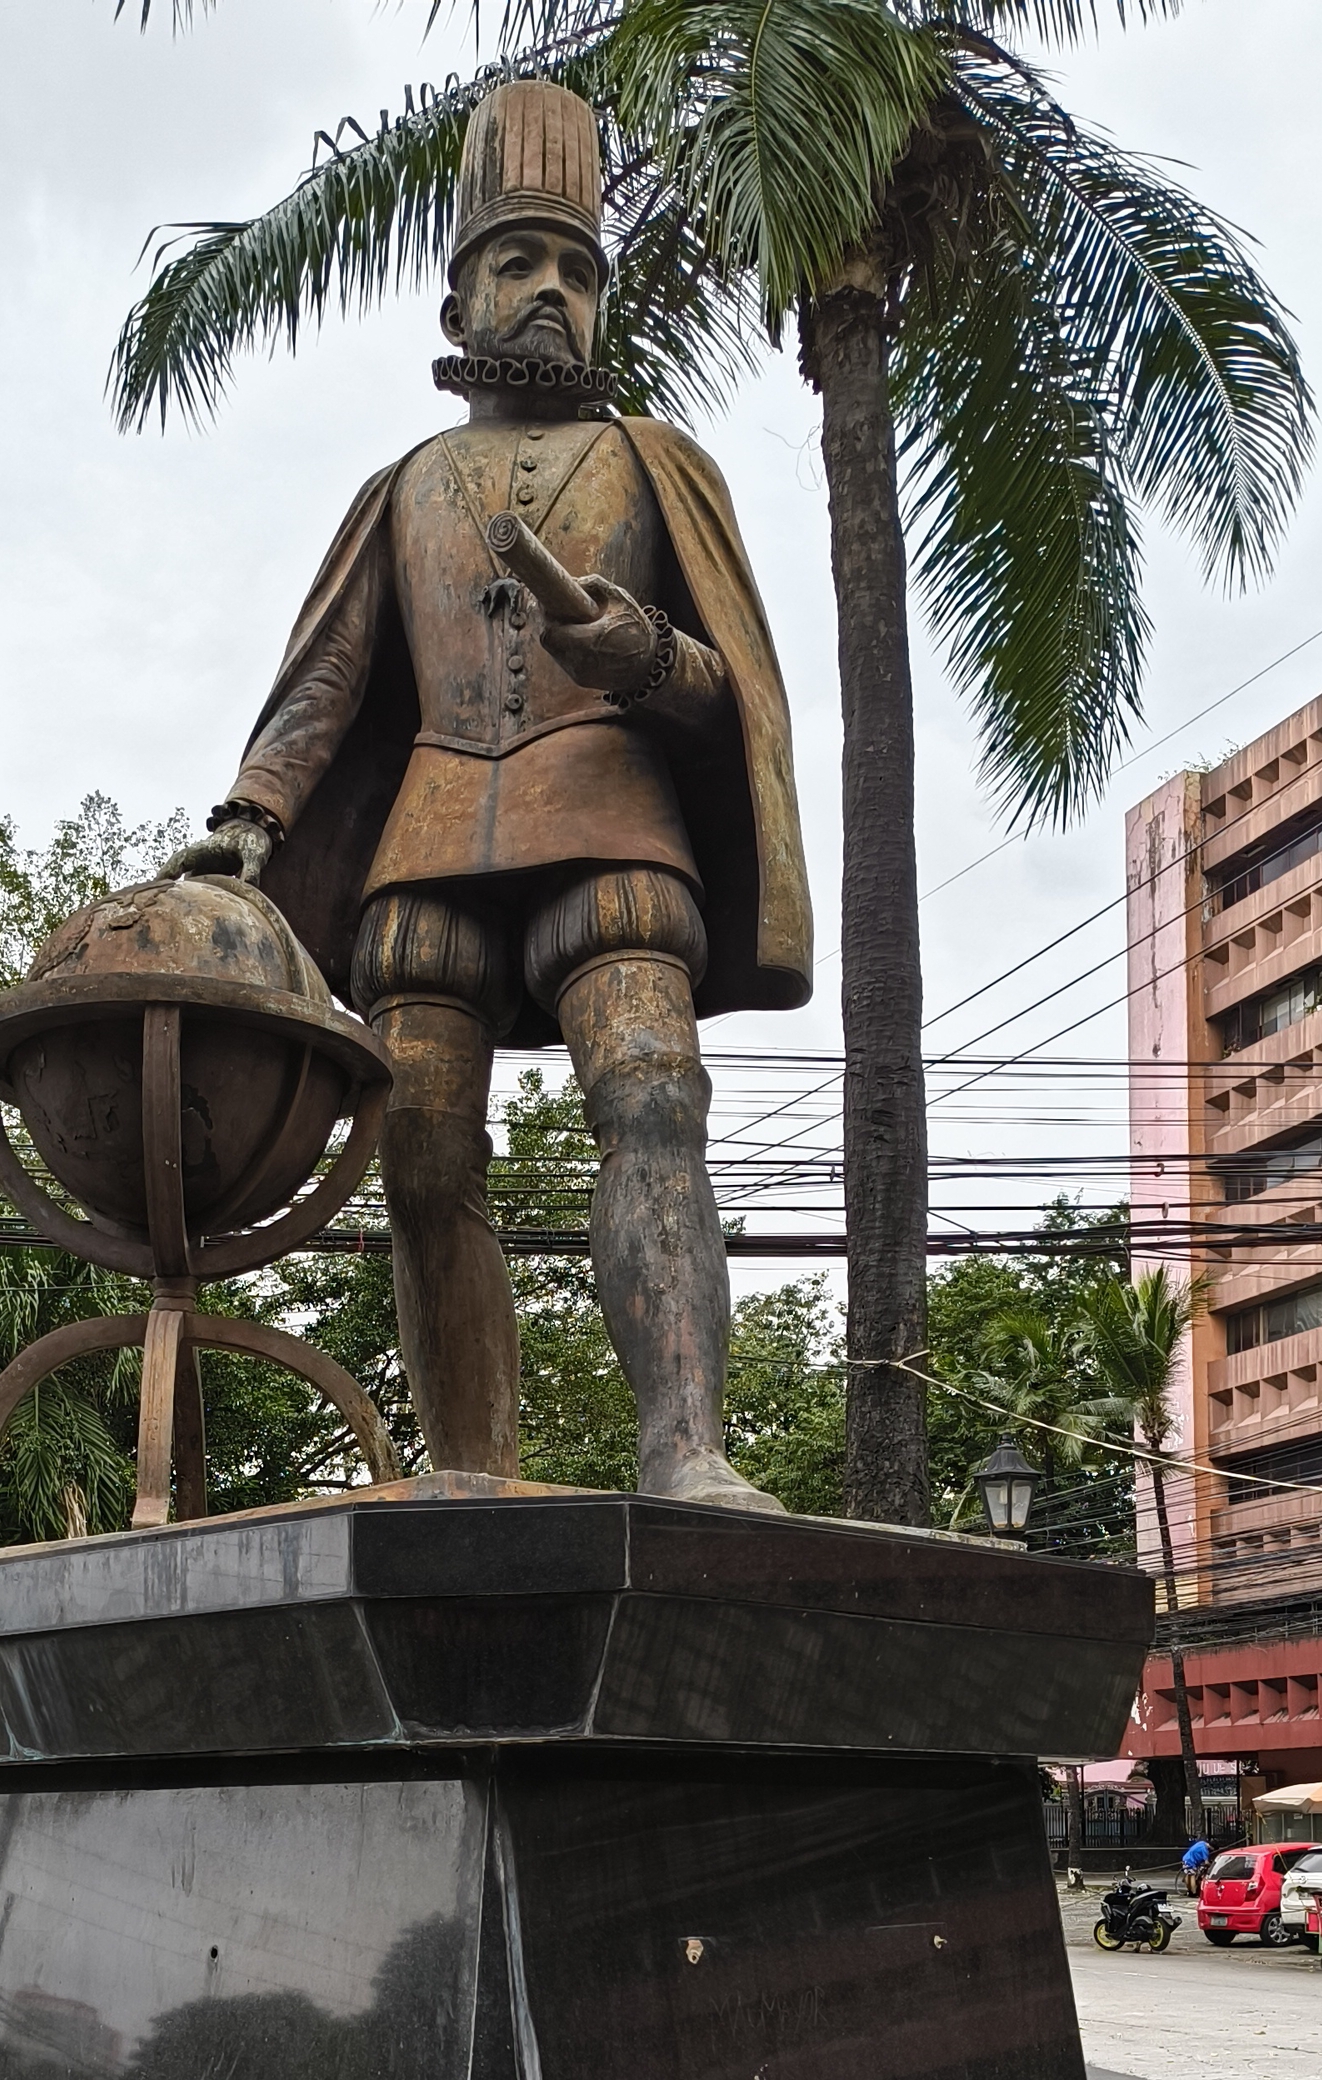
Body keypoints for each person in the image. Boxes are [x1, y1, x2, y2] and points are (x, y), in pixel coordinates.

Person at [167, 76, 813, 1507]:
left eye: (578, 268)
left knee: (655, 1106)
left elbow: (739, 702)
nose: (552, 291)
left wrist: (646, 655)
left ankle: (685, 1447)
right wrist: (250, 824)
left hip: (617, 830)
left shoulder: (658, 465)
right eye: (520, 263)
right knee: (419, 1157)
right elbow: (326, 682)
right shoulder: (404, 486)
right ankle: (469, 1465)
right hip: (428, 848)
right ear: (458, 302)